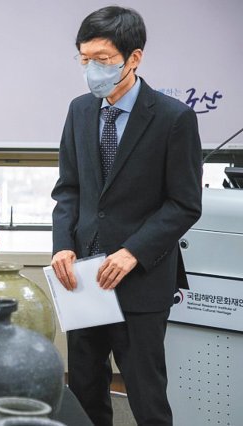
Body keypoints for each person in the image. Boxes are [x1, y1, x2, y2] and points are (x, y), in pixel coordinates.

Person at [50, 7, 202, 426]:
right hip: (82, 280)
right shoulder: (79, 110)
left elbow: (184, 203)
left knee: (146, 397)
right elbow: (69, 190)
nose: (91, 69)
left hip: (140, 281)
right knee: (83, 393)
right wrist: (62, 244)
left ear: (133, 58)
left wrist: (132, 252)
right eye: (84, 59)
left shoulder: (174, 118)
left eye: (102, 59)